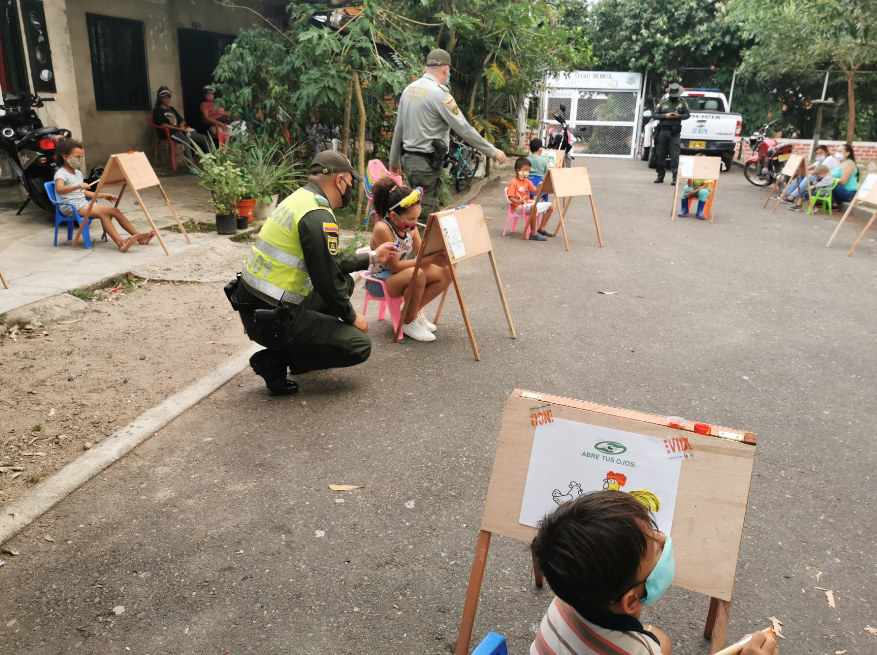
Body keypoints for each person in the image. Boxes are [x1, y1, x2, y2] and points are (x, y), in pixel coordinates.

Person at [227, 151, 397, 395]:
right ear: (340, 180)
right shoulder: (317, 215)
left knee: (346, 283)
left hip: (254, 305)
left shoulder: (298, 199)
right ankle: (278, 360)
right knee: (358, 346)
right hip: (273, 317)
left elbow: (330, 261)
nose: (351, 189)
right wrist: (350, 317)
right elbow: (327, 280)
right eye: (351, 182)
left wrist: (371, 256)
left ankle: (301, 344)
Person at [530, 490, 780, 655]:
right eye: (656, 549)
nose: (663, 539)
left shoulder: (566, 598)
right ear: (631, 600)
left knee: (662, 641)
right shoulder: (639, 651)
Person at [389, 49, 507, 222]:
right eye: (448, 72)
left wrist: (393, 161)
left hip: (409, 163)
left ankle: (423, 248)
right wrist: (492, 151)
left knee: (413, 212)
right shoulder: (439, 94)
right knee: (423, 217)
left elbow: (398, 127)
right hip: (426, 165)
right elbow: (464, 128)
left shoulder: (409, 90)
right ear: (446, 69)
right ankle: (416, 250)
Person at [365, 178, 453, 342]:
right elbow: (396, 267)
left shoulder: (409, 228)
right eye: (411, 219)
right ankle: (407, 321)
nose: (415, 222)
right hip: (380, 281)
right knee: (418, 274)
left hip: (401, 275)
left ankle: (411, 313)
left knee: (447, 272)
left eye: (417, 217)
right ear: (393, 215)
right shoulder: (383, 229)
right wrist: (430, 259)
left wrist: (442, 251)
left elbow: (423, 254)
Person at [52, 139, 154, 252]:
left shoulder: (78, 173)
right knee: (103, 214)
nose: (80, 160)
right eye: (77, 157)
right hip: (70, 207)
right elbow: (60, 189)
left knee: (115, 211)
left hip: (83, 203)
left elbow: (83, 192)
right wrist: (77, 187)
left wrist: (103, 195)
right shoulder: (61, 174)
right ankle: (120, 243)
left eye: (81, 158)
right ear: (65, 157)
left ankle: (139, 237)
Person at [152, 86, 211, 172]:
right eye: (165, 98)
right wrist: (178, 128)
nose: (167, 99)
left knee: (204, 138)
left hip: (181, 131)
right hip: (171, 133)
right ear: (160, 98)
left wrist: (182, 125)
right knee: (186, 140)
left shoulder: (171, 109)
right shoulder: (157, 110)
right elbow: (163, 124)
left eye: (169, 97)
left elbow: (181, 120)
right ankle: (192, 167)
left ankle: (214, 162)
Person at [651, 83, 690, 184]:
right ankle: (660, 176)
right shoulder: (663, 102)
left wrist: (678, 116)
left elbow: (687, 115)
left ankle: (675, 177)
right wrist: (665, 115)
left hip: (674, 133)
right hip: (662, 132)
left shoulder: (682, 102)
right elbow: (655, 115)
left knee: (674, 155)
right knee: (660, 155)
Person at [508, 157, 554, 241]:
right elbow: (510, 198)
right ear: (518, 171)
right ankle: (533, 233)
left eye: (529, 170)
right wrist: (518, 201)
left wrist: (540, 187)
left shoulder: (527, 181)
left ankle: (541, 229)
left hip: (528, 205)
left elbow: (536, 192)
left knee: (550, 206)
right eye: (525, 170)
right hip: (517, 207)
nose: (528, 172)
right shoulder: (513, 183)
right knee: (533, 207)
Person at [830, 143, 858, 208]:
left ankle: (833, 204)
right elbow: (828, 174)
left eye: (840, 151)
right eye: (837, 151)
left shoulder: (849, 163)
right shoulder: (837, 162)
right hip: (837, 190)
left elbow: (843, 182)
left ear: (847, 153)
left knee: (827, 183)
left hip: (847, 192)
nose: (837, 153)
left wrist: (829, 179)